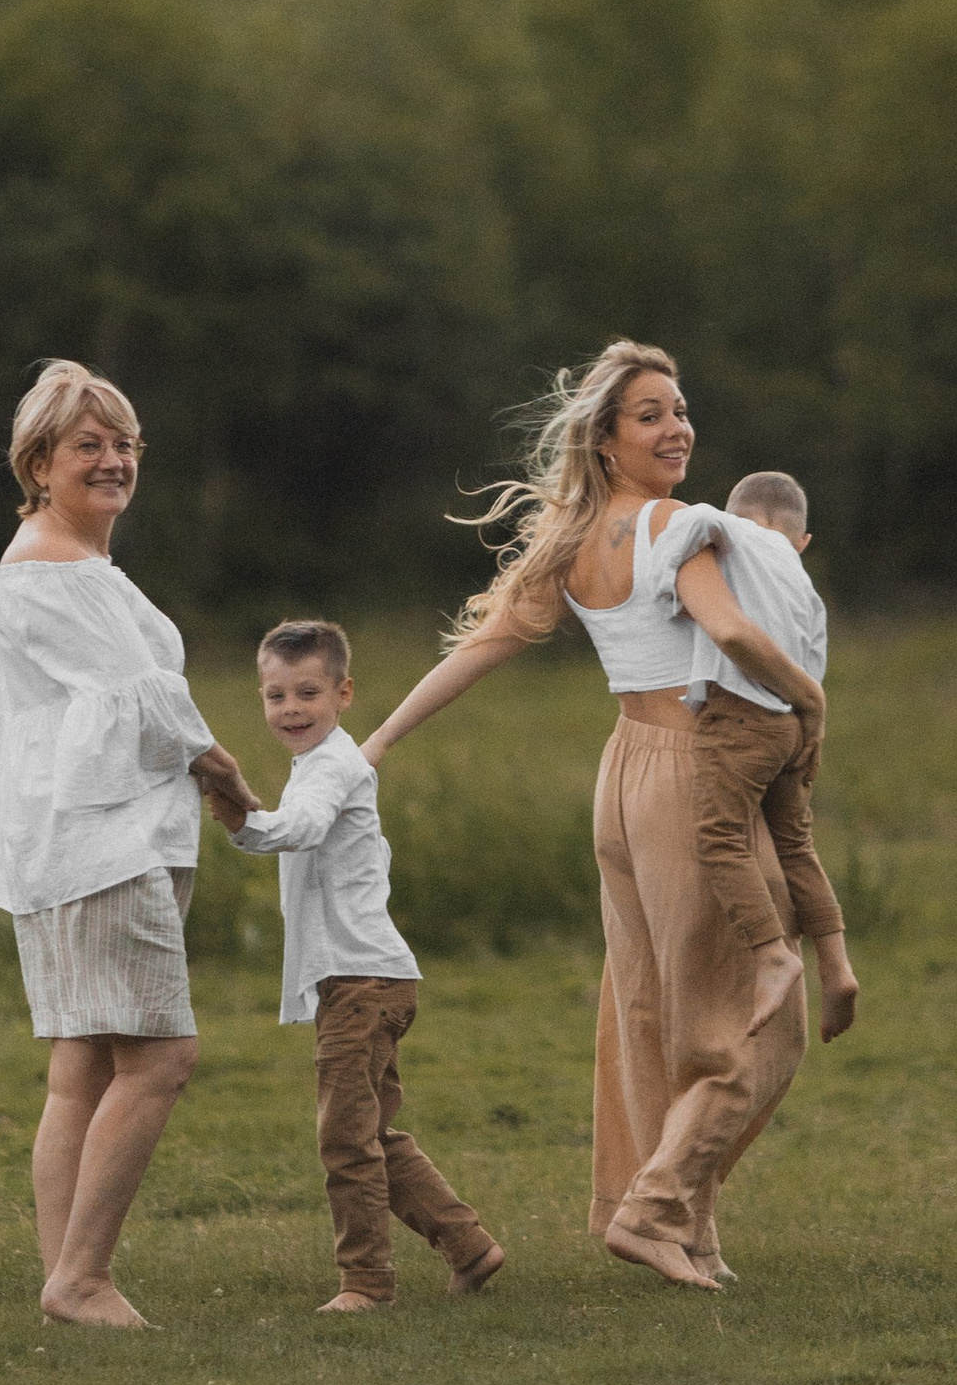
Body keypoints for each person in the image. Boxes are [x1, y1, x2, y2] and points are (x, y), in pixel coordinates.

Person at [362, 340, 859, 1293]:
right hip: (690, 776)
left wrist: (381, 739)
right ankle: (655, 1206)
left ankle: (691, 1231)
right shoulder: (678, 524)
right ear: (606, 438)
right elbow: (732, 632)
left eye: (680, 410)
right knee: (760, 1019)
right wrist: (810, 701)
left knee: (656, 1013)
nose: (677, 428)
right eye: (651, 415)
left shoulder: (575, 541)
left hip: (621, 780)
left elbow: (486, 645)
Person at [0, 360, 258, 1329]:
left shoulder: (71, 567)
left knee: (83, 1064)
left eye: (124, 443)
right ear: (39, 462)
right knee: (161, 1055)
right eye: (89, 444)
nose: (113, 459)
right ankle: (80, 1276)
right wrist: (225, 773)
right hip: (101, 845)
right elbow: (145, 701)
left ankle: (67, 1281)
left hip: (94, 840)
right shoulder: (50, 571)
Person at [208, 618, 503, 1317]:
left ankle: (365, 1284)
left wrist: (238, 811)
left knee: (345, 1142)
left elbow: (300, 828)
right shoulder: (316, 768)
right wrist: (244, 816)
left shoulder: (336, 766)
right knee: (368, 1131)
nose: (291, 710)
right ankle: (467, 1246)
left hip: (362, 984)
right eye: (276, 696)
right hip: (366, 979)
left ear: (343, 694)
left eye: (307, 693)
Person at [683, 469, 854, 1045]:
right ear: (803, 541)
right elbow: (812, 673)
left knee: (719, 836)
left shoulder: (728, 531)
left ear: (741, 516)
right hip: (792, 727)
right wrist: (808, 731)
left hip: (739, 718)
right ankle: (837, 964)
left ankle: (772, 955)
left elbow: (692, 523)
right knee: (796, 846)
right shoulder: (807, 589)